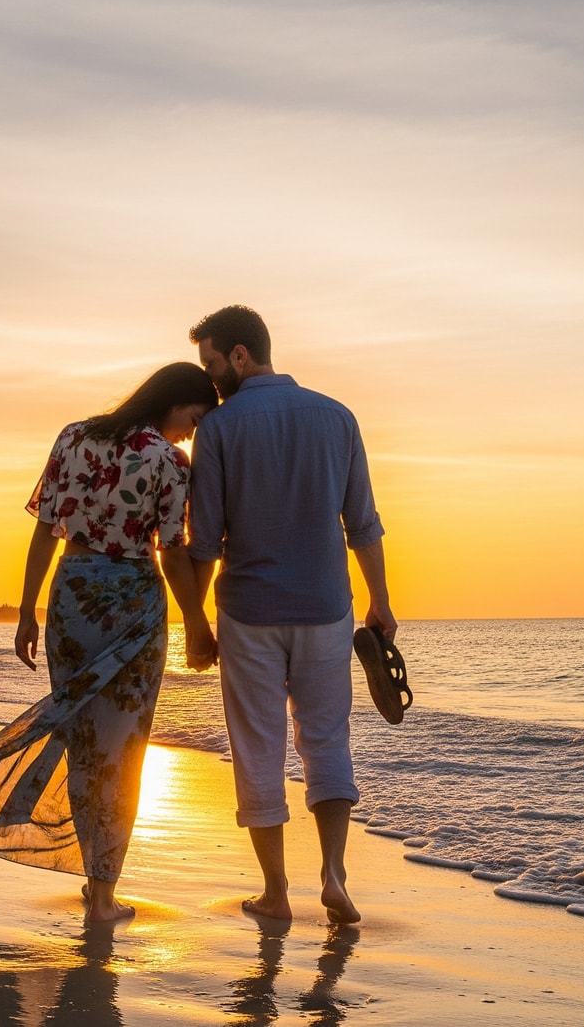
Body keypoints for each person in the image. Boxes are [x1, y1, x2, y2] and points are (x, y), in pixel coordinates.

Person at [0, 362, 219, 923]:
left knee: (82, 740)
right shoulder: (167, 460)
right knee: (122, 749)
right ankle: (103, 894)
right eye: (194, 418)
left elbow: (44, 529)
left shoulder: (74, 436)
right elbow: (174, 551)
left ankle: (95, 881)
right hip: (134, 601)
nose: (191, 433)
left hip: (71, 595)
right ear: (176, 401)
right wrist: (198, 624)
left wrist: (27, 610)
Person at [184, 305, 395, 925]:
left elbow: (204, 541)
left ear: (241, 356)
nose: (211, 378)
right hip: (326, 608)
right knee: (326, 741)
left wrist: (195, 621)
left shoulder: (219, 430)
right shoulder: (338, 417)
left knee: (258, 748)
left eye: (214, 362)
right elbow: (363, 523)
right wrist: (379, 600)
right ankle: (333, 875)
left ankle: (276, 893)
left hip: (248, 612)